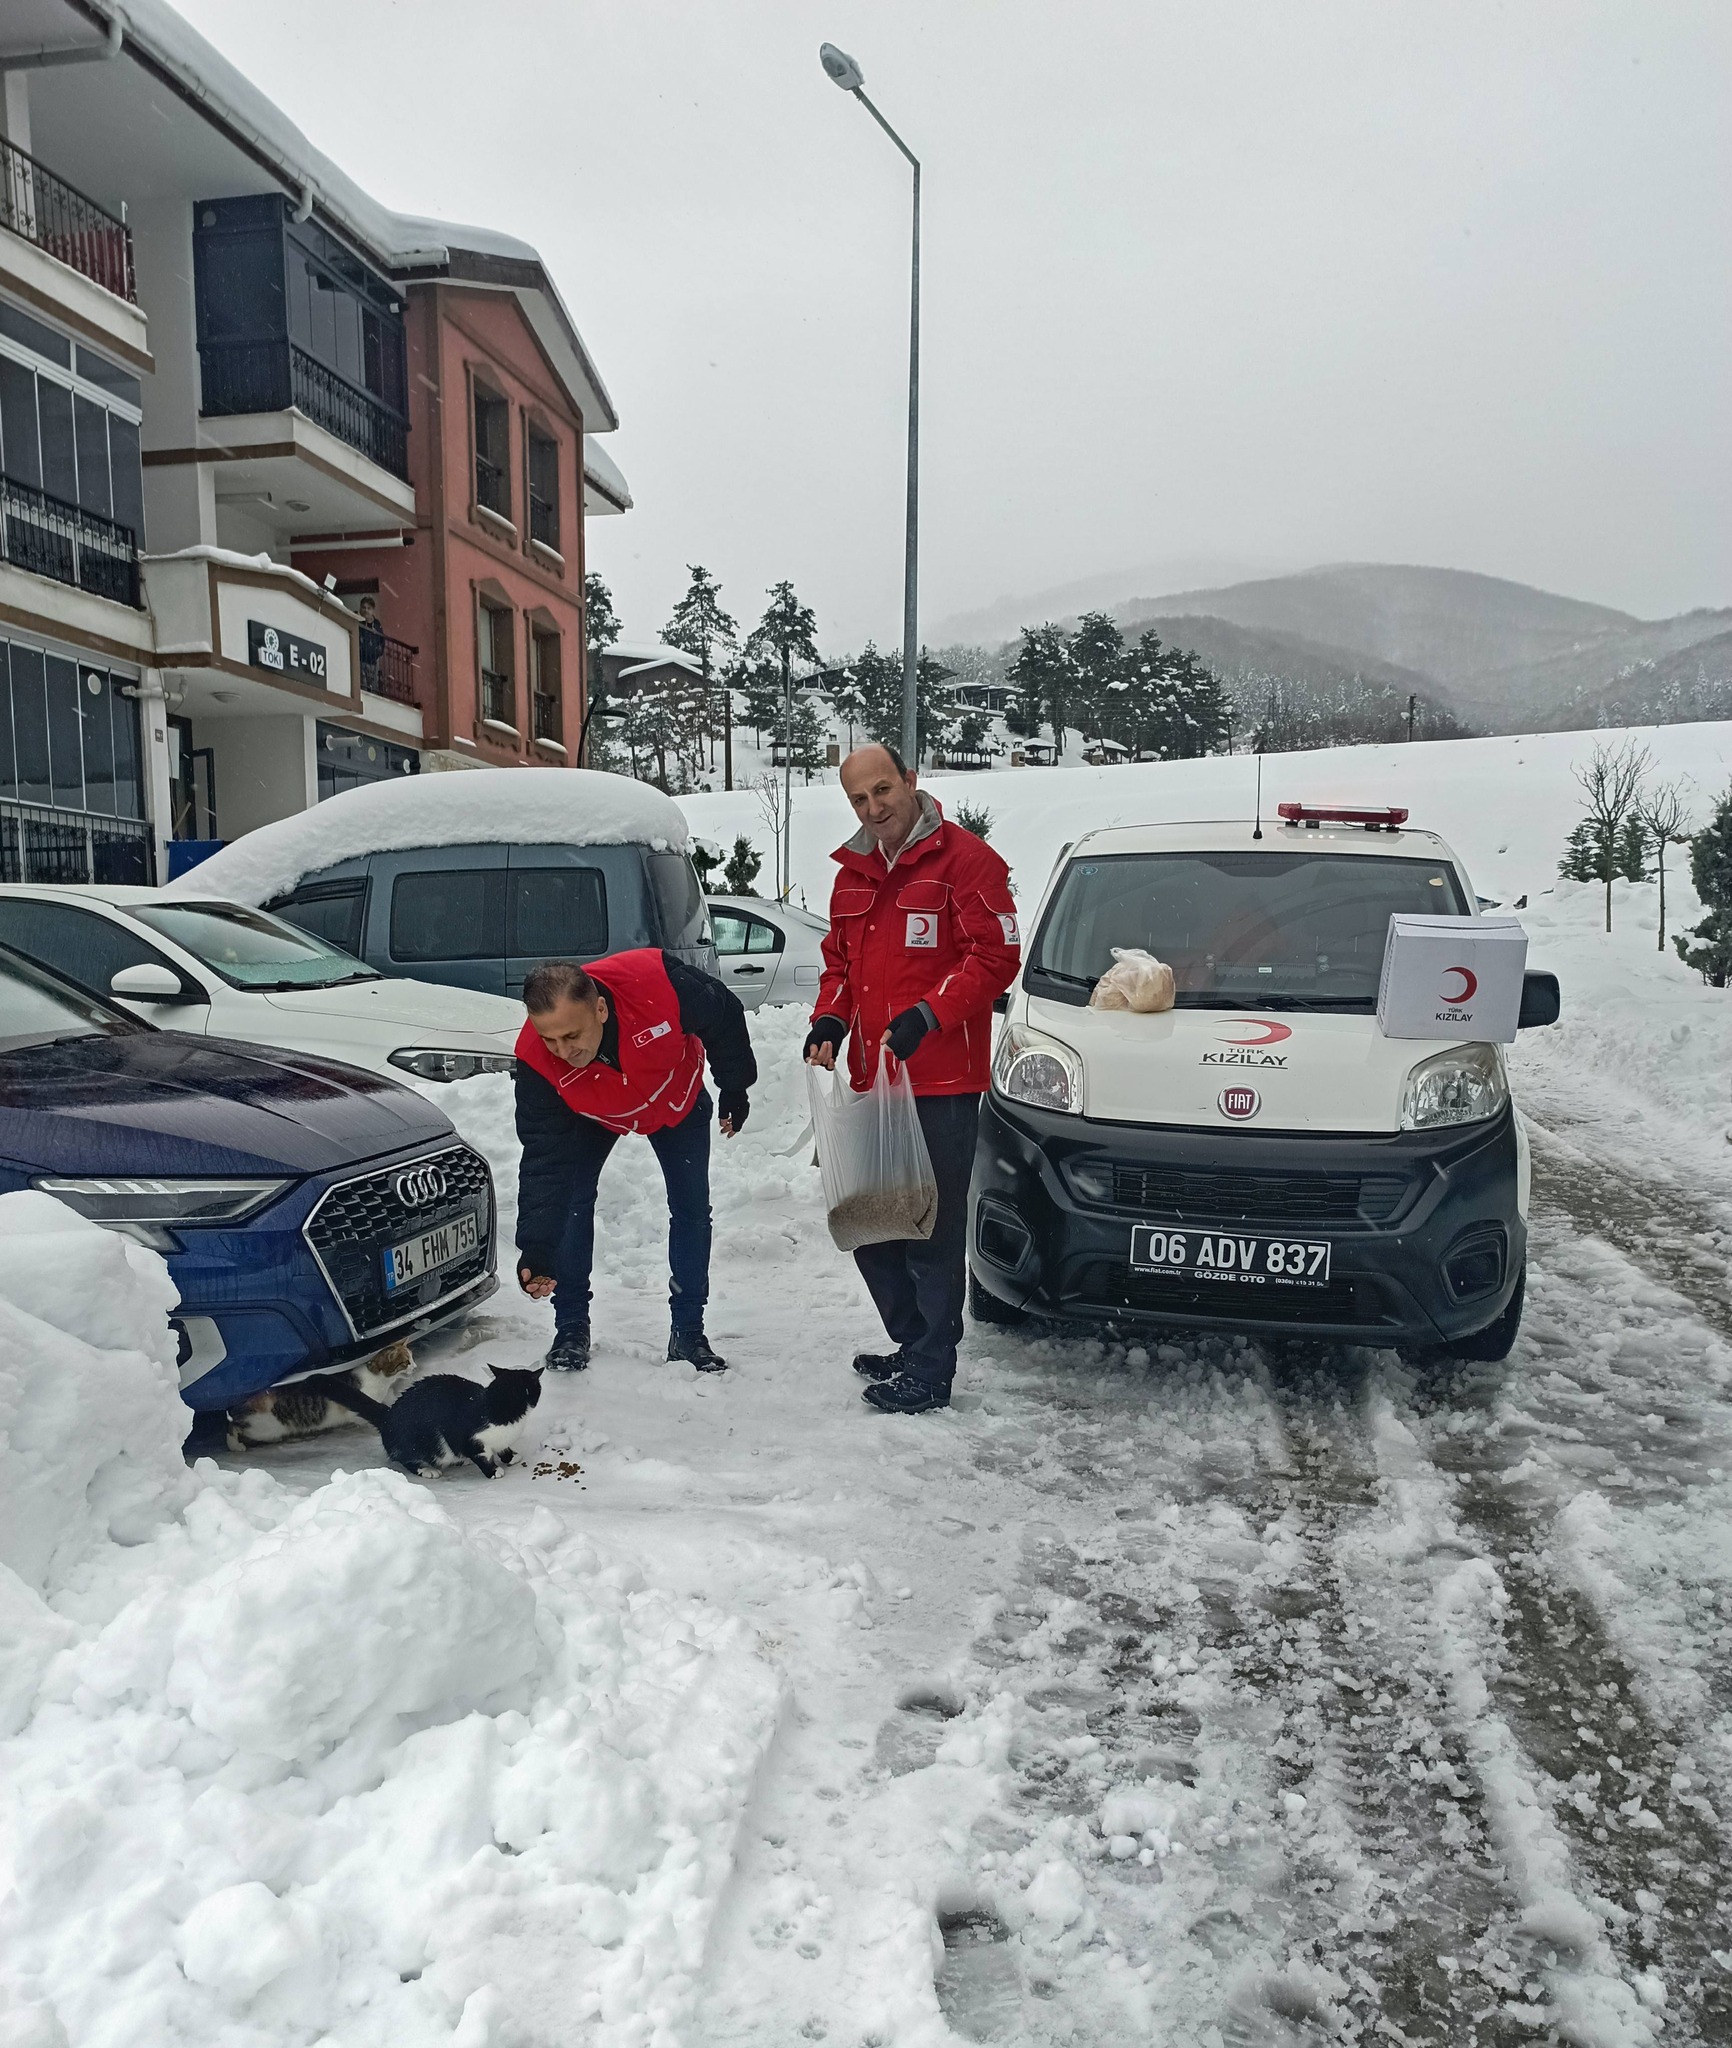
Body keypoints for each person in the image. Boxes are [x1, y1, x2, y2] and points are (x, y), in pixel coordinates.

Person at [804, 744, 1021, 1413]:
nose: (874, 810)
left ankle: (931, 1370)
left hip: (940, 1086)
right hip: (872, 1083)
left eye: (882, 792)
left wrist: (932, 1014)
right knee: (871, 1221)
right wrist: (829, 1022)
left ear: (910, 782)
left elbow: (997, 956)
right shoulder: (852, 873)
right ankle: (911, 1341)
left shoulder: (967, 863)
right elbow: (839, 965)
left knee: (929, 1229)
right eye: (859, 800)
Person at [515, 949, 755, 1373]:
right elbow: (544, 1157)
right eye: (550, 1039)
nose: (562, 1050)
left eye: (572, 1035)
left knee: (691, 1209)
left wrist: (735, 1088)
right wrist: (538, 1246)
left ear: (601, 1008)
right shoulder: (536, 1059)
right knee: (573, 1197)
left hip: (674, 1097)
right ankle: (570, 1326)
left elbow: (724, 1014)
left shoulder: (658, 985)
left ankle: (688, 1332)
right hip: (593, 1110)